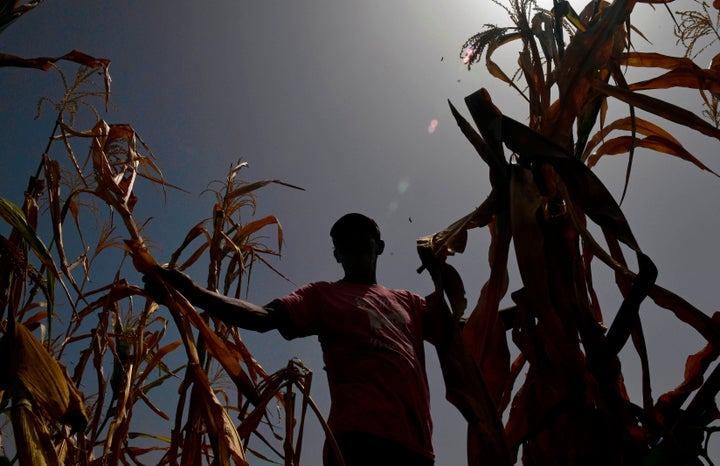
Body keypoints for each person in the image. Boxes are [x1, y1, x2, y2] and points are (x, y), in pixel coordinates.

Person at [144, 213, 449, 466]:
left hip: (416, 448)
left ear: (379, 246)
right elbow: (263, 317)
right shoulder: (322, 295)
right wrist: (193, 291)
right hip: (358, 440)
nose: (354, 242)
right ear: (336, 254)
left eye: (362, 234)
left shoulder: (409, 302)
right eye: (344, 239)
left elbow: (469, 330)